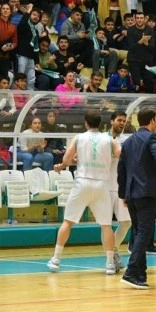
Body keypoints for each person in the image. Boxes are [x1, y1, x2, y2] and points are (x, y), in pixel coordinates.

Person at [47, 110, 121, 274]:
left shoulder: (79, 138)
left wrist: (63, 165)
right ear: (100, 124)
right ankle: (110, 264)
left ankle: (56, 260)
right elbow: (120, 155)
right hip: (102, 184)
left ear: (85, 123)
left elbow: (66, 159)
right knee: (106, 226)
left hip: (82, 182)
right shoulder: (109, 139)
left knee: (68, 222)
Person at [118, 107, 156, 290]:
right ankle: (131, 272)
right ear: (153, 121)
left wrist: (123, 193)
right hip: (147, 191)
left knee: (140, 231)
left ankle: (140, 273)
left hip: (132, 193)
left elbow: (121, 169)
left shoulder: (128, 141)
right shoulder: (151, 137)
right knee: (144, 233)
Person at [107, 111, 133, 270]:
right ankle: (110, 259)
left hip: (120, 187)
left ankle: (113, 249)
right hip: (105, 186)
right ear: (112, 121)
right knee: (106, 225)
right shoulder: (104, 139)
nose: (122, 123)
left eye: (124, 121)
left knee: (126, 223)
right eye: (119, 120)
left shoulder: (126, 141)